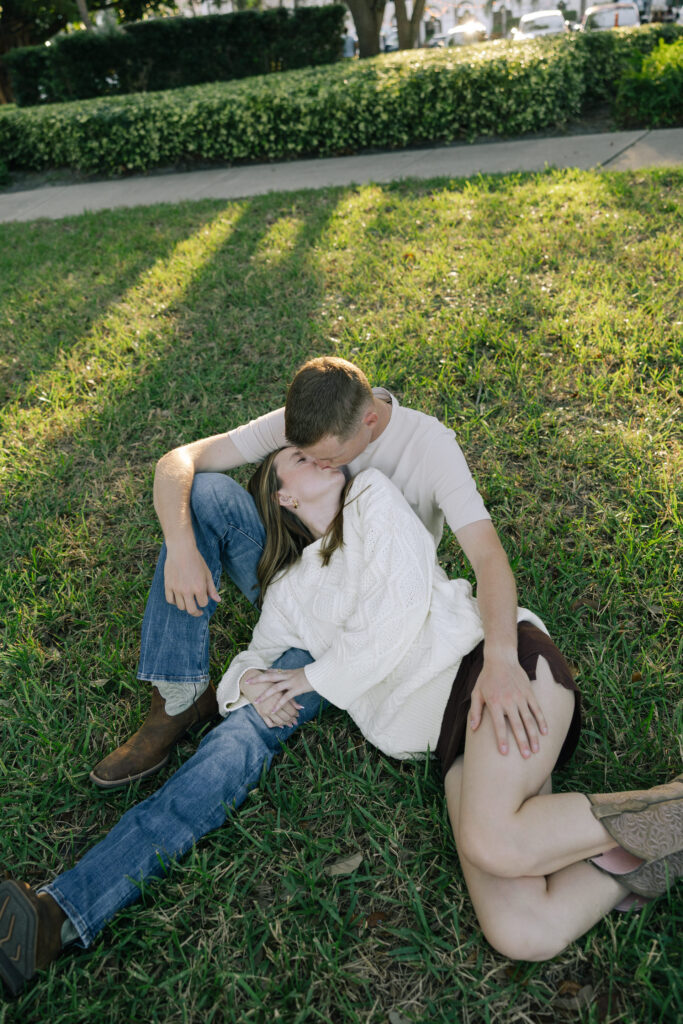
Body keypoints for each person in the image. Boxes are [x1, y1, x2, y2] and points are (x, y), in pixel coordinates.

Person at [1, 450, 680, 994]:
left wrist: (305, 679)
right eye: (297, 458)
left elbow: (397, 615)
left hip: (491, 672)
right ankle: (651, 849)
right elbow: (253, 659)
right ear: (282, 496)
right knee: (521, 930)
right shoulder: (294, 593)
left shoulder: (371, 500)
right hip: (452, 740)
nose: (321, 457)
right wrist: (248, 688)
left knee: (492, 839)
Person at [90, 355, 548, 794]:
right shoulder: (312, 419)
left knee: (256, 721)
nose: (319, 464)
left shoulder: (429, 447)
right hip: (295, 585)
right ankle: (178, 695)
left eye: (326, 458)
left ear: (369, 421)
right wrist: (182, 545)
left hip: (364, 616)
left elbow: (489, 559)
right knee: (204, 493)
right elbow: (178, 461)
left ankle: (198, 783)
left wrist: (502, 657)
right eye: (302, 455)